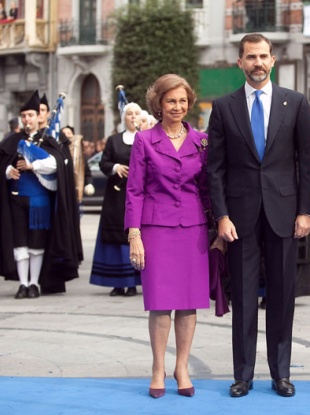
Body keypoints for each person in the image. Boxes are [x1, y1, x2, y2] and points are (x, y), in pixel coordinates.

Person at [207, 33, 310, 398]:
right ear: (240, 62)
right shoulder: (223, 107)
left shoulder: (295, 103)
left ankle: (281, 373)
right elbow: (215, 169)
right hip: (239, 219)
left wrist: (306, 211)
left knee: (283, 296)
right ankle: (243, 375)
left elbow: (307, 163)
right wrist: (221, 217)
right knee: (243, 297)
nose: (257, 63)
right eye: (250, 56)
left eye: (263, 56)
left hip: (285, 215)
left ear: (273, 61)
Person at [125, 74, 211, 399]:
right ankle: (158, 367)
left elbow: (207, 189)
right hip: (155, 230)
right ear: (159, 104)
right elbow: (134, 190)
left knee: (189, 305)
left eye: (183, 101)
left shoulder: (202, 141)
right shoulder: (145, 141)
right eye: (171, 101)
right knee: (161, 305)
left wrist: (218, 229)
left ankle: (183, 367)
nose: (178, 106)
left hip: (194, 229)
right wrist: (134, 235)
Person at [0, 91, 82, 299]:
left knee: (36, 245)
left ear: (39, 117)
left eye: (31, 115)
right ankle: (22, 284)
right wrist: (7, 172)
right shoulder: (12, 141)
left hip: (40, 203)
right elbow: (1, 166)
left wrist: (33, 165)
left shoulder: (48, 140)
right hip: (16, 200)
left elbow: (55, 164)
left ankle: (34, 284)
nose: (27, 119)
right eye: (24, 116)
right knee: (19, 243)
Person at [89, 104, 142, 297]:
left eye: (136, 113)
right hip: (116, 195)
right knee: (116, 236)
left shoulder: (145, 138)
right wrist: (116, 167)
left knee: (134, 235)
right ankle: (117, 283)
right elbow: (104, 163)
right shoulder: (114, 140)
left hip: (138, 195)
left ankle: (133, 283)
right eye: (129, 114)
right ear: (123, 117)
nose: (133, 117)